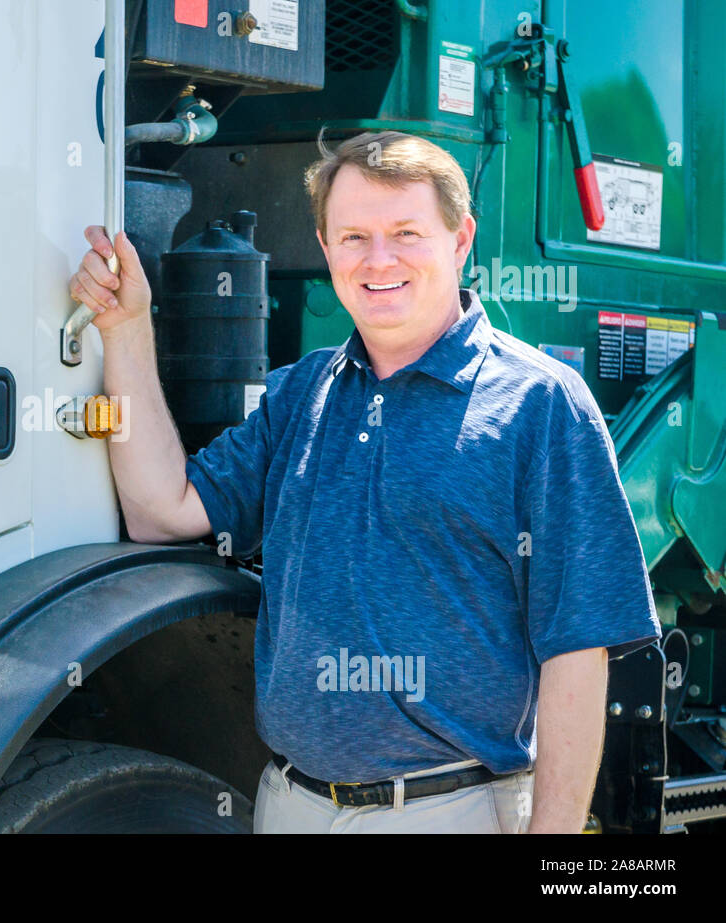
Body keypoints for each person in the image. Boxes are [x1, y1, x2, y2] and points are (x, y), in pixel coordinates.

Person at [68, 129, 662, 833]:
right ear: (324, 248)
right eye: (353, 237)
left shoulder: (540, 405)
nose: (379, 260)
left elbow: (578, 649)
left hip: (450, 810)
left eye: (406, 232)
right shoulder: (300, 394)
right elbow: (161, 509)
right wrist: (127, 327)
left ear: (460, 238)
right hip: (288, 804)